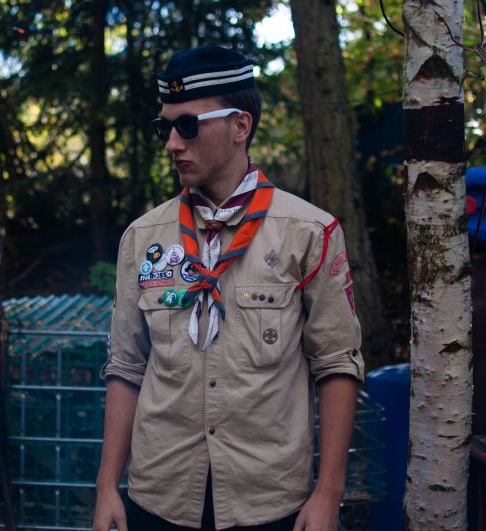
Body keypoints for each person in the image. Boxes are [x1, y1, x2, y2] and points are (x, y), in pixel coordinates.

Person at [93, 44, 364, 531]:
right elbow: (127, 366)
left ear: (240, 126)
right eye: (164, 127)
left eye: (187, 126)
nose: (172, 143)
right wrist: (108, 487)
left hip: (269, 502)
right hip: (160, 498)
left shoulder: (308, 233)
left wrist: (328, 493)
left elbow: (337, 364)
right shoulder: (143, 238)